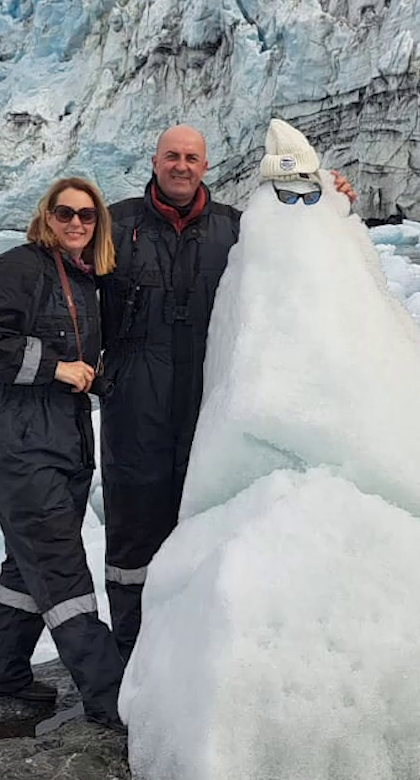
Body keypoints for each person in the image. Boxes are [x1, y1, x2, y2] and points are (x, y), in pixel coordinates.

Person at [98, 122, 352, 656]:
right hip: (134, 406)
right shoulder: (115, 226)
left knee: (205, 522)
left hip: (208, 401)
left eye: (191, 157)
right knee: (133, 533)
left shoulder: (235, 228)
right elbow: (61, 269)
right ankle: (131, 655)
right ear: (154, 161)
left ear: (205, 166)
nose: (181, 166)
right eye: (172, 156)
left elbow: (296, 254)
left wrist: (334, 206)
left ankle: (190, 651)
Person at [0, 176, 127, 732]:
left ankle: (1, 671)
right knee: (59, 565)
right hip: (20, 437)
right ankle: (112, 697)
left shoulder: (82, 279)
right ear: (46, 216)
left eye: (87, 214)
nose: (76, 222)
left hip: (62, 434)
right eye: (65, 213)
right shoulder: (19, 266)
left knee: (28, 557)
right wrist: (56, 367)